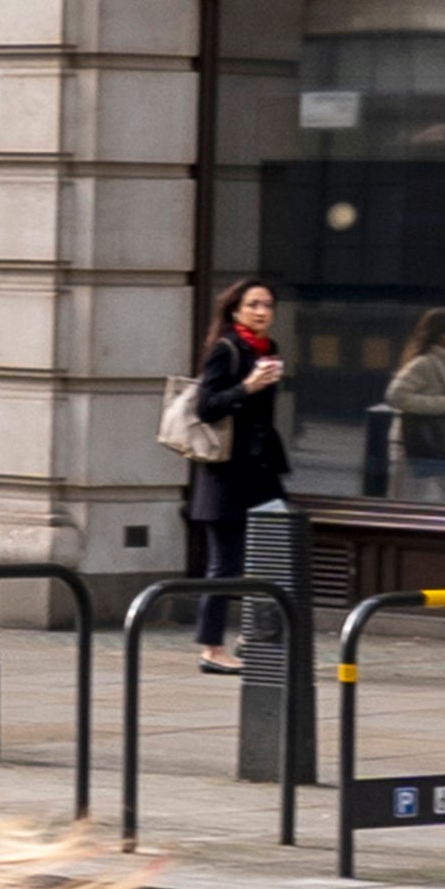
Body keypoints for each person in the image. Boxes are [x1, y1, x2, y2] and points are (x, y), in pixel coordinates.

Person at [181, 273, 291, 671]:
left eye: (268, 305)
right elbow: (206, 408)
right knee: (224, 563)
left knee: (278, 548)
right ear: (236, 310)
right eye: (254, 305)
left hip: (259, 470)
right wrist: (247, 386)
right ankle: (211, 649)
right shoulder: (225, 349)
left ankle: (251, 634)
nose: (263, 312)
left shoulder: (269, 349)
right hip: (225, 475)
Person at [380, 304, 445, 483]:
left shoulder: (444, 363)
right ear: (444, 335)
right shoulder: (424, 363)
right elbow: (395, 396)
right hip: (416, 447)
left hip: (441, 445)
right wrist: (442, 404)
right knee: (409, 506)